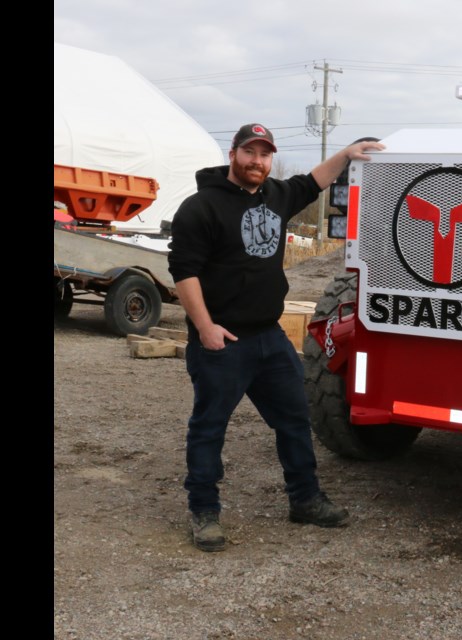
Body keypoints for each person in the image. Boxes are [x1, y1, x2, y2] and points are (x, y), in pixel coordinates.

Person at [167, 123, 385, 552]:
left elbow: (313, 181)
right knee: (209, 428)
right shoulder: (200, 207)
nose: (257, 161)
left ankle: (304, 499)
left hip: (269, 338)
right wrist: (206, 328)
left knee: (294, 420)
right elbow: (184, 271)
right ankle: (204, 511)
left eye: (265, 155)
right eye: (250, 152)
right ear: (233, 154)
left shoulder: (277, 195)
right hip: (223, 343)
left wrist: (347, 152)